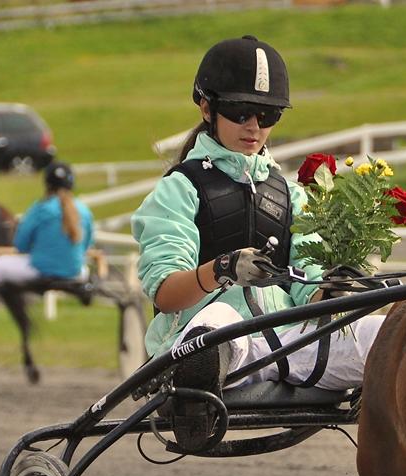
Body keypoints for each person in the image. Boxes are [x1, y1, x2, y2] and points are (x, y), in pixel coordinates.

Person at [132, 35, 383, 450]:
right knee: (217, 329)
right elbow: (165, 292)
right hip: (210, 342)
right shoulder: (178, 190)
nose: (254, 126)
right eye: (240, 111)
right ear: (207, 108)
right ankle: (196, 382)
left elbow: (308, 287)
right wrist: (224, 269)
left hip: (285, 345)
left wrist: (332, 287)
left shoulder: (290, 193)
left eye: (267, 115)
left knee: (387, 336)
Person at [0, 161, 94, 286]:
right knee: (85, 270)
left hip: (41, 270)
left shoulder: (41, 208)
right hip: (75, 271)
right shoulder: (84, 210)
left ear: (47, 184)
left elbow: (21, 245)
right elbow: (86, 245)